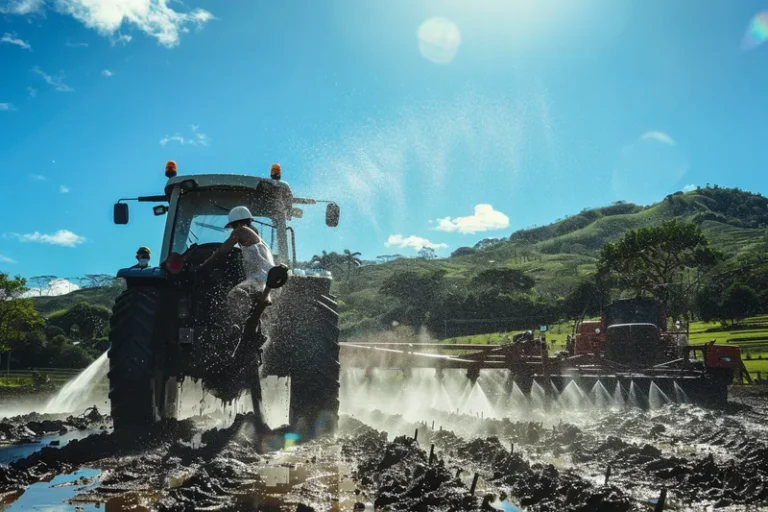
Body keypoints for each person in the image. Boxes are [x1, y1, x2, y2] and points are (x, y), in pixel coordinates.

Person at [200, 206, 276, 330]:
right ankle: (255, 330)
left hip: (260, 280)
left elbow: (222, 251)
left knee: (236, 294)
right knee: (254, 310)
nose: (233, 230)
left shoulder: (241, 230)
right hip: (269, 282)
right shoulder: (258, 241)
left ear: (239, 223)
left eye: (233, 226)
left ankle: (235, 331)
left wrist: (203, 266)